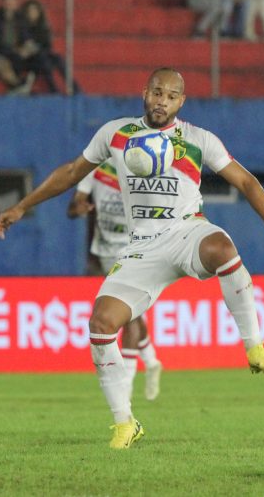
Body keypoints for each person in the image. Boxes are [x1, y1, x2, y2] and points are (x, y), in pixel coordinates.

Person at [0, 67, 264, 449]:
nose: (162, 101)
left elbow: (245, 181)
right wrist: (23, 206)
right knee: (101, 322)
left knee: (222, 249)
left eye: (171, 96)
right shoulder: (116, 134)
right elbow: (73, 172)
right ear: (145, 92)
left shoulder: (198, 140)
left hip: (187, 230)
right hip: (141, 246)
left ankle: (253, 345)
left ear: (181, 102)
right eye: (157, 92)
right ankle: (125, 423)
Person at [68, 163, 163, 401]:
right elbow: (74, 205)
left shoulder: (147, 170)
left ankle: (127, 382)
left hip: (135, 250)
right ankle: (151, 361)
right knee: (134, 313)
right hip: (105, 251)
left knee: (128, 313)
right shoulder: (97, 170)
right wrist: (78, 207)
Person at [0, 0, 36, 89]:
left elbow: (27, 37)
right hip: (1, 50)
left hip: (17, 50)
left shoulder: (21, 18)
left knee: (35, 57)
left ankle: (19, 85)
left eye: (11, 0)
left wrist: (26, 47)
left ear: (15, 2)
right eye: (6, 0)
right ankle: (18, 85)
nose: (8, 3)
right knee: (10, 59)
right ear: (2, 2)